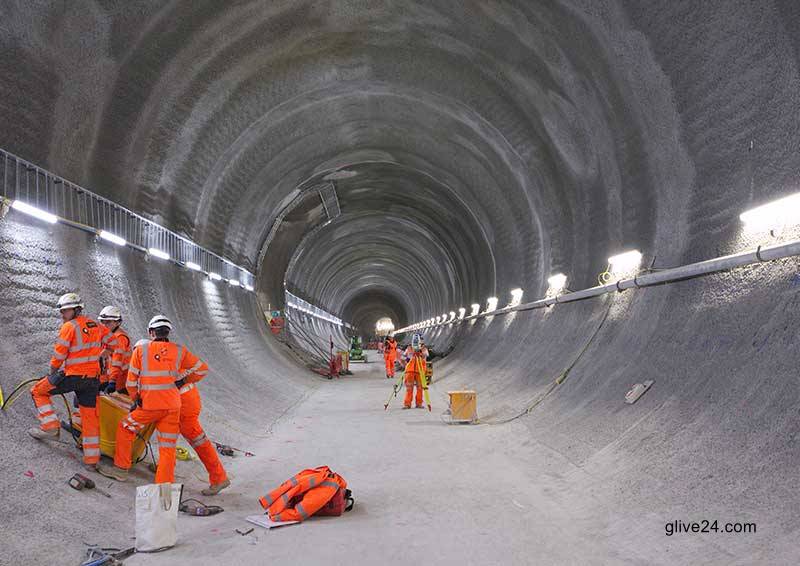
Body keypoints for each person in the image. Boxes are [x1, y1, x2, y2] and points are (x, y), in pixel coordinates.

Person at [96, 315, 184, 483]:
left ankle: (121, 469)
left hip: (154, 406)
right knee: (167, 444)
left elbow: (131, 383)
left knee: (125, 426)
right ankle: (164, 483)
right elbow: (199, 370)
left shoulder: (142, 354)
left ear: (151, 332)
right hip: (174, 407)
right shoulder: (174, 354)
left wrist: (136, 400)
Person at [29, 293, 112, 468]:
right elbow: (114, 342)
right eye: (62, 311)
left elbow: (59, 354)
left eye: (65, 311)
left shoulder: (69, 326)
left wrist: (52, 371)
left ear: (76, 309)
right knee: (90, 418)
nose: (62, 314)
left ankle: (51, 427)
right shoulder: (96, 325)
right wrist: (103, 353)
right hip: (92, 380)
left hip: (73, 375)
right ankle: (92, 460)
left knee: (38, 391)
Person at [174, 343, 230, 496]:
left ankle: (219, 478)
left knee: (198, 441)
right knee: (167, 437)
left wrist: (182, 382)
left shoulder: (153, 359)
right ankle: (165, 468)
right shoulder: (169, 353)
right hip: (183, 402)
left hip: (184, 406)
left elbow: (202, 368)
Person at [97, 306, 131, 395]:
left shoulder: (120, 338)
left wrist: (112, 382)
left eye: (108, 322)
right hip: (110, 380)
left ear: (117, 322)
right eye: (102, 322)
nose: (104, 325)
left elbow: (117, 362)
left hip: (120, 383)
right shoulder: (106, 337)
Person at [402, 333, 429, 409]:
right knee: (409, 388)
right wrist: (411, 354)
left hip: (420, 371)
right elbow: (404, 357)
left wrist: (419, 352)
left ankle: (419, 403)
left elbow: (425, 355)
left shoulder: (424, 349)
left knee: (420, 388)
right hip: (410, 370)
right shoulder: (410, 348)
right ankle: (407, 404)